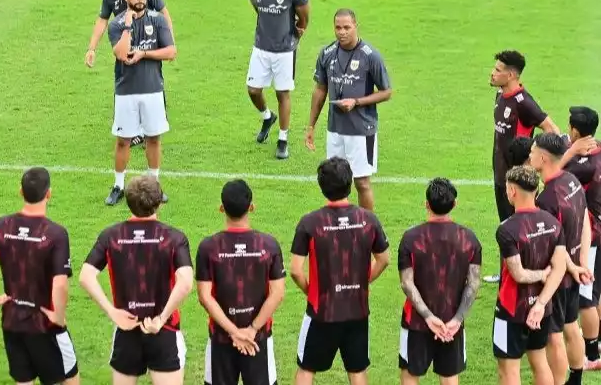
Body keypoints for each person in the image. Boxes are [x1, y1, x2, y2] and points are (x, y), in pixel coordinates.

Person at [0, 167, 80, 385]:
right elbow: (60, 283)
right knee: (69, 379)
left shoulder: (1, 226)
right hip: (45, 323)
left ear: (20, 191)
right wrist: (58, 316)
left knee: (23, 380)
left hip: (12, 321)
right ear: (49, 193)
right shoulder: (55, 234)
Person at [79, 175, 193, 385]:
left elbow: (86, 276)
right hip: (163, 330)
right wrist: (161, 318)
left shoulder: (111, 235)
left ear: (129, 203)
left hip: (126, 328)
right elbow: (185, 282)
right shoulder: (175, 238)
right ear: (159, 202)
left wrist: (112, 312)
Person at [289, 156, 391, 385]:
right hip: (357, 309)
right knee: (357, 370)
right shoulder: (368, 219)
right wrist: (363, 282)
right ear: (349, 183)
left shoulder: (309, 222)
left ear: (322, 187)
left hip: (321, 310)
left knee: (306, 368)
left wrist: (313, 290)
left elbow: (295, 270)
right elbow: (384, 259)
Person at [195, 179, 286, 385]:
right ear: (252, 207)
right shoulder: (269, 244)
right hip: (259, 338)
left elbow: (204, 297)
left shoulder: (208, 247)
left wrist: (234, 333)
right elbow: (278, 293)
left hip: (220, 337)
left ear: (221, 208)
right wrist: (251, 330)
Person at [305, 9, 393, 212]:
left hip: (362, 130)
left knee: (362, 183)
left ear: (356, 26)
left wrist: (357, 101)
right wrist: (311, 125)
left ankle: (368, 230)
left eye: (347, 27)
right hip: (335, 130)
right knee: (334, 184)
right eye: (338, 27)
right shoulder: (327, 53)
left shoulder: (370, 56)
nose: (342, 32)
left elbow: (387, 92)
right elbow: (320, 89)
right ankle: (338, 227)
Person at [397, 178, 482, 385]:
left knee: (410, 374)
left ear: (427, 204)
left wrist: (427, 316)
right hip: (452, 323)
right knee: (450, 376)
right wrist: (457, 320)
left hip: (416, 321)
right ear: (454, 204)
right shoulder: (469, 239)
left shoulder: (410, 238)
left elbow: (407, 283)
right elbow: (473, 283)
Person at [485, 50, 559, 283]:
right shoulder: (500, 95)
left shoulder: (524, 102)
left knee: (522, 227)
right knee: (506, 226)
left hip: (520, 180)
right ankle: (505, 273)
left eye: (498, 70)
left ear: (511, 75)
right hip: (501, 176)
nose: (493, 73)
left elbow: (552, 130)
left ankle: (532, 272)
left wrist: (534, 160)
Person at [85, 0, 174, 149]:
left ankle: (150, 130)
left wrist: (170, 42)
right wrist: (92, 48)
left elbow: (164, 13)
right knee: (125, 80)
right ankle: (134, 130)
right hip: (125, 39)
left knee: (152, 80)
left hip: (148, 39)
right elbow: (102, 20)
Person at [104, 0, 176, 206]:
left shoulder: (158, 20)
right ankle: (118, 186)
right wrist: (127, 26)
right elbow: (121, 54)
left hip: (153, 90)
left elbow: (171, 51)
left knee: (154, 138)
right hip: (126, 92)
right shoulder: (116, 24)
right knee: (123, 141)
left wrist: (145, 54)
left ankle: (154, 185)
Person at [493, 165, 567, 385]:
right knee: (539, 361)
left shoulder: (507, 229)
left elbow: (518, 274)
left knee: (509, 369)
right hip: (542, 309)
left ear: (512, 191)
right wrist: (540, 303)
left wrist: (540, 274)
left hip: (511, 309)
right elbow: (560, 268)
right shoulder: (554, 224)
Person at [530, 133, 594, 385]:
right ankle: (575, 379)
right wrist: (582, 263)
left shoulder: (546, 200)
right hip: (575, 271)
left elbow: (556, 246)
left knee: (554, 336)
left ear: (543, 158)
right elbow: (585, 220)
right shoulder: (572, 180)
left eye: (533, 152)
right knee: (571, 325)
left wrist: (571, 265)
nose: (530, 155)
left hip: (559, 278)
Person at [246, 0, 310, 159]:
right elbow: (257, 6)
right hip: (261, 48)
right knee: (253, 90)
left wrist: (298, 30)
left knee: (282, 93)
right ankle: (267, 116)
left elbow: (303, 15)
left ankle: (283, 139)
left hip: (284, 51)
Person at [560, 106, 601, 370]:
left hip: (592, 235)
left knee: (586, 298)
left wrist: (569, 153)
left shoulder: (578, 166)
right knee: (597, 293)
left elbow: (553, 175)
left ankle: (592, 356)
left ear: (575, 130)